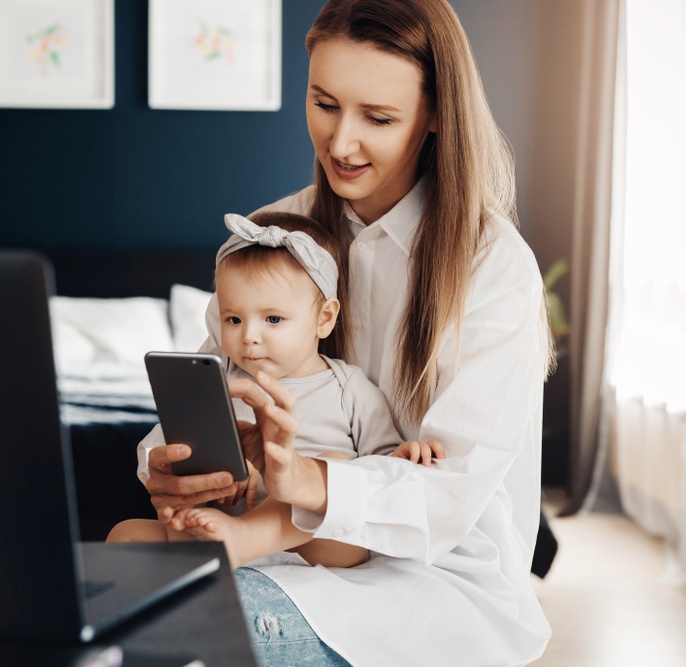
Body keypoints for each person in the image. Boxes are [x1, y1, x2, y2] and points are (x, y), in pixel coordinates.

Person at [134, 1, 554, 665]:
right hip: (273, 543)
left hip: (430, 578)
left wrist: (304, 479)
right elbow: (213, 381)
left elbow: (449, 494)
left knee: (187, 632)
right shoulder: (275, 234)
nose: (340, 143)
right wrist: (170, 463)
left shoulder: (492, 267)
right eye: (324, 103)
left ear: (436, 113)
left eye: (378, 118)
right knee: (106, 601)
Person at [107, 211, 443, 570]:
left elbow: (378, 470)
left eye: (273, 319)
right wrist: (191, 471)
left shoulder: (348, 388)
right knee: (123, 535)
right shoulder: (218, 382)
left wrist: (403, 455)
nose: (249, 335)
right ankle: (224, 543)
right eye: (233, 319)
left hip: (315, 545)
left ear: (324, 319)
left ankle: (247, 538)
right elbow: (158, 449)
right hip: (217, 529)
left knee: (337, 466)